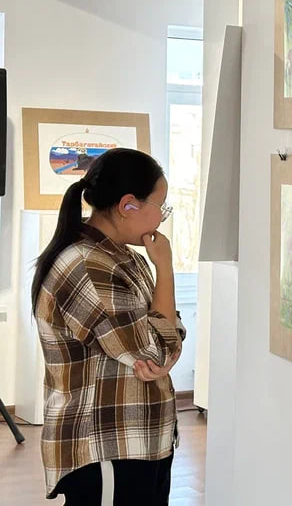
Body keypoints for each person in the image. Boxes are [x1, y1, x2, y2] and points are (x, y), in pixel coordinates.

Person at [31, 148, 185, 504]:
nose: (162, 217)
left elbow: (165, 337)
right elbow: (158, 350)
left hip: (141, 441)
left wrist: (166, 347)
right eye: (160, 205)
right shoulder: (88, 266)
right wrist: (165, 269)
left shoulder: (126, 258)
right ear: (128, 204)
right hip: (106, 446)